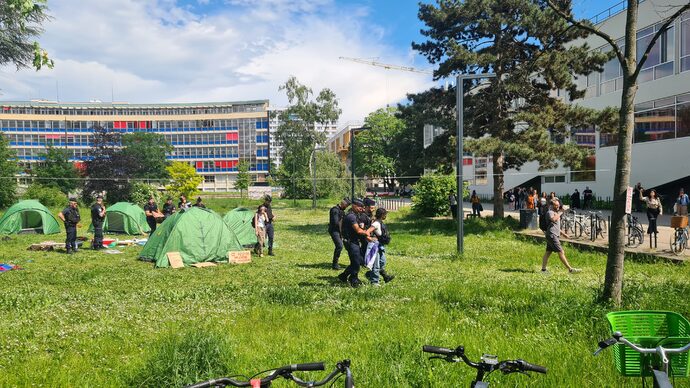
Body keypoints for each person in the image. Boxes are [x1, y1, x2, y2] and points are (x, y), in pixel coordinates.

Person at [541, 198, 581, 274]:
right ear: (552, 205)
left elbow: (555, 226)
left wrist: (563, 234)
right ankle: (570, 269)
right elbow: (553, 220)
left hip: (553, 234)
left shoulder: (556, 212)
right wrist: (561, 211)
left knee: (548, 252)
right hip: (552, 235)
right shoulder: (550, 212)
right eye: (556, 205)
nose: (558, 207)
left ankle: (543, 270)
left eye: (558, 205)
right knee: (561, 251)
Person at [337, 199, 371, 288]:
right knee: (356, 262)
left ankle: (343, 276)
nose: (362, 209)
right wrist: (367, 233)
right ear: (354, 206)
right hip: (350, 242)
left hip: (354, 241)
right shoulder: (351, 216)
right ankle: (353, 279)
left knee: (357, 261)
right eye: (360, 207)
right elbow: (358, 230)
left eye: (363, 207)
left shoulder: (355, 215)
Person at [365, 208, 395, 285]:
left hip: (380, 245)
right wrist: (370, 238)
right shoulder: (376, 224)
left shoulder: (380, 222)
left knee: (382, 262)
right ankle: (375, 282)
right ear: (382, 215)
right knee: (376, 265)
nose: (386, 216)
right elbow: (367, 232)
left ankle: (369, 274)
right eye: (385, 214)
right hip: (375, 245)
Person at [328, 198, 351, 270]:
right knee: (339, 246)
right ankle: (335, 264)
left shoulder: (342, 211)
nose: (346, 207)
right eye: (346, 205)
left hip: (341, 231)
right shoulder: (335, 210)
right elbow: (335, 222)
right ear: (343, 203)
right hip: (334, 231)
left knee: (345, 245)